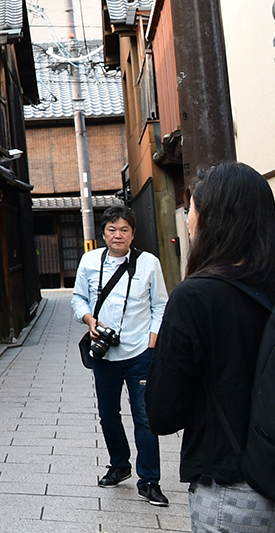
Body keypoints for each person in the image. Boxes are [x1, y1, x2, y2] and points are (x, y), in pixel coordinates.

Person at [146, 162, 275, 533]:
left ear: (213, 219)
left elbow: (163, 413)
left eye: (192, 209)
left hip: (234, 491)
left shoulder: (195, 297)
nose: (188, 220)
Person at [72, 206, 170, 506]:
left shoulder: (149, 263)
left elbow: (161, 305)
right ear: (103, 233)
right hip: (103, 354)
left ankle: (150, 480)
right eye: (112, 229)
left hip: (140, 352)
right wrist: (89, 320)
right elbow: (78, 298)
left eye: (124, 229)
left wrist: (153, 340)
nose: (118, 235)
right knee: (107, 414)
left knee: (144, 417)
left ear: (133, 233)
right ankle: (119, 465)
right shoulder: (90, 261)